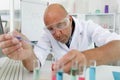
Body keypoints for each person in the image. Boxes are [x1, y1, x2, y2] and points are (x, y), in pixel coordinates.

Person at [0, 3, 120, 74]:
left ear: (70, 19)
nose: (56, 34)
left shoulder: (87, 26)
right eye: (51, 28)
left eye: (60, 25)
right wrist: (27, 55)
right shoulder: (47, 34)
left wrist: (86, 58)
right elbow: (34, 65)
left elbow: (118, 46)